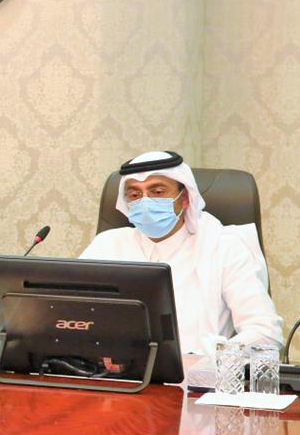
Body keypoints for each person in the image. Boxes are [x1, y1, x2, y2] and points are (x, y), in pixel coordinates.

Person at [81, 150, 283, 353]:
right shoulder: (106, 244)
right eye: (135, 195)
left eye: (157, 192)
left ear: (185, 198)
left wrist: (208, 360)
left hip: (203, 371)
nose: (145, 202)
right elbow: (73, 315)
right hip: (116, 369)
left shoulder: (225, 246)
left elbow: (266, 333)